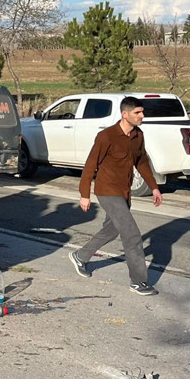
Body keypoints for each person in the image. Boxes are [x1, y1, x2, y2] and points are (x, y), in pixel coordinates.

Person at [70, 97, 163, 296]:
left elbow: (142, 162)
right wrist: (84, 194)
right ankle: (138, 281)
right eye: (137, 112)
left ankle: (80, 256)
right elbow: (90, 164)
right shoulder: (107, 136)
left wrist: (154, 187)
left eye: (142, 112)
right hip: (107, 191)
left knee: (111, 231)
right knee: (132, 235)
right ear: (124, 114)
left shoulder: (138, 136)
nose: (142, 116)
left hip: (124, 192)